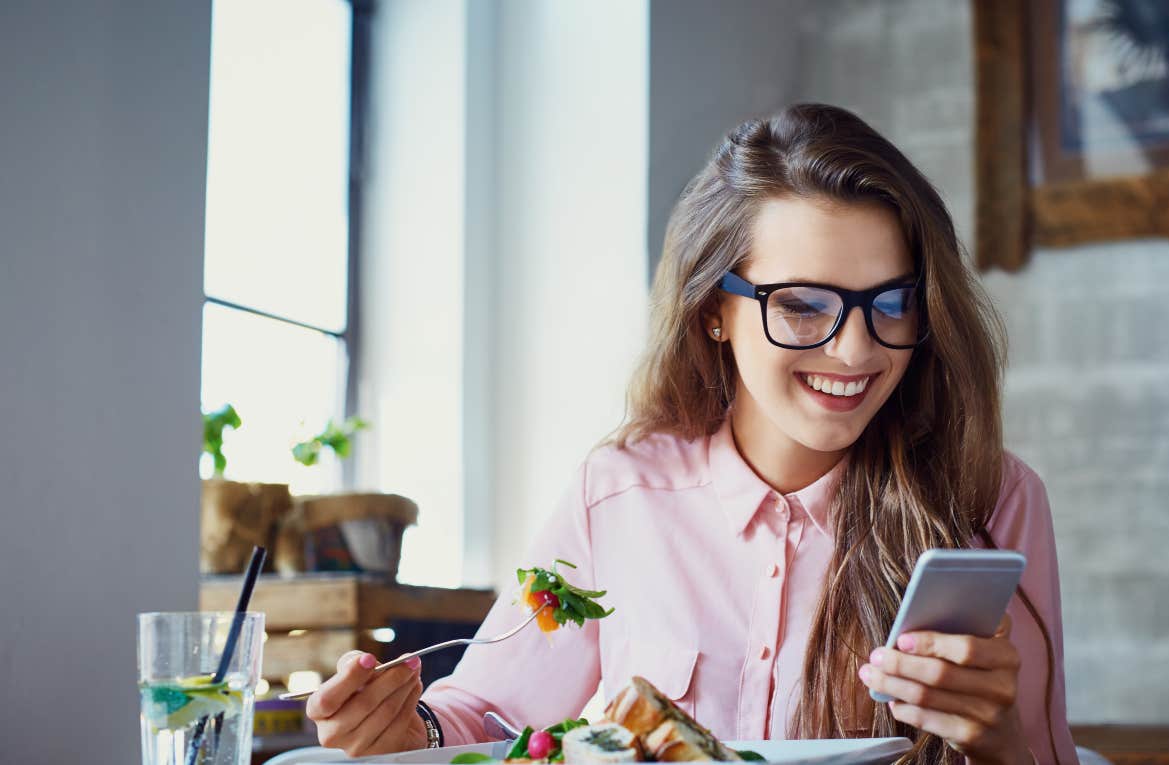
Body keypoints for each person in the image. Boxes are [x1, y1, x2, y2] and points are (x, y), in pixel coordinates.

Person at [304, 103, 1079, 765]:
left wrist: (1002, 738)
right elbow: (485, 715)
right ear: (714, 307)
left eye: (891, 302)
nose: (856, 349)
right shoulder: (618, 492)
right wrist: (403, 728)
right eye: (804, 304)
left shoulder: (994, 498)